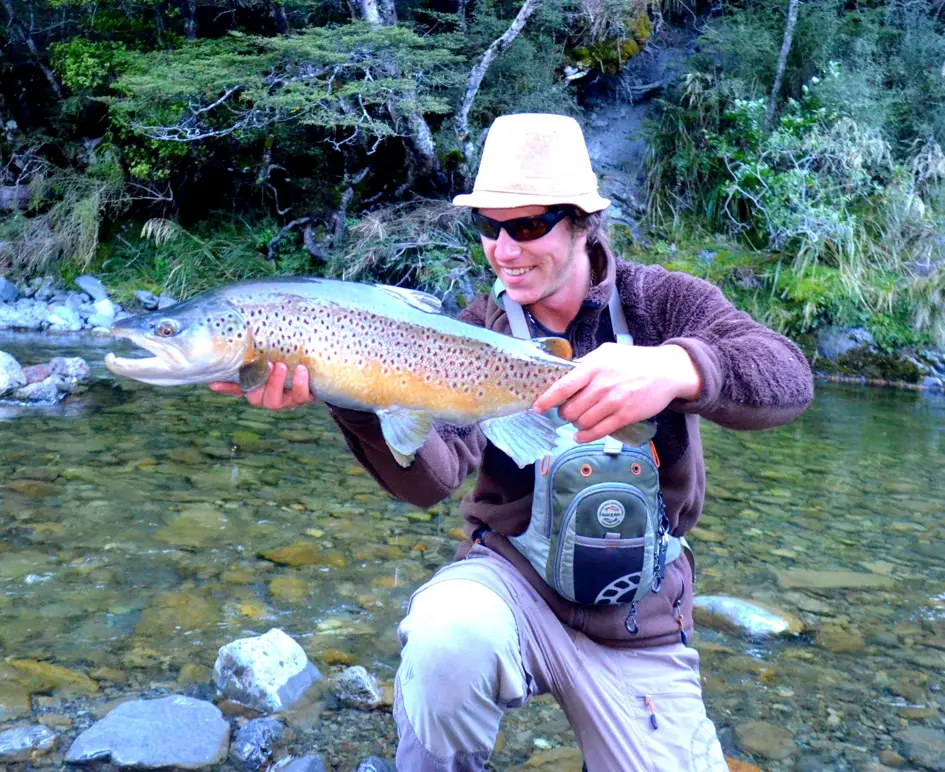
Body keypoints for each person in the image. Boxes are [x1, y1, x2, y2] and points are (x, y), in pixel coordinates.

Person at [211, 113, 814, 771]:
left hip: (638, 616)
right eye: (488, 227)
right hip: (507, 585)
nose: (503, 249)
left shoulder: (664, 303)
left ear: (583, 224)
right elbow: (430, 480)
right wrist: (352, 398)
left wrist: (679, 367)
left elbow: (787, 376)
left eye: (526, 226)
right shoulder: (473, 331)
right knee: (443, 635)